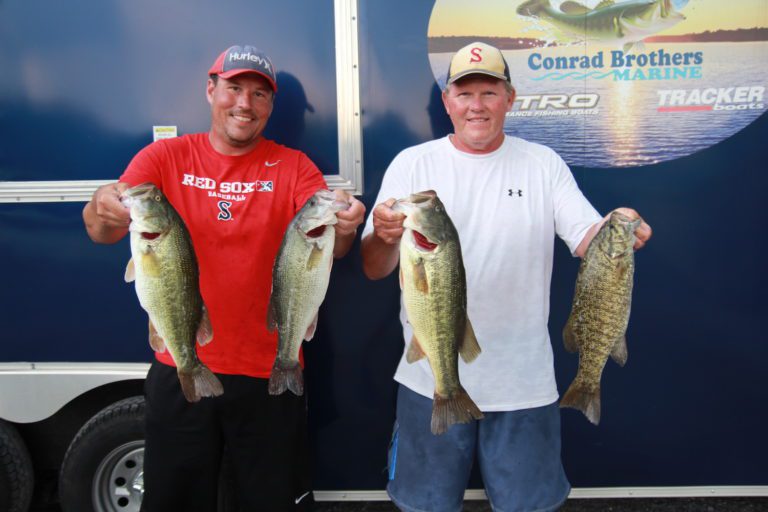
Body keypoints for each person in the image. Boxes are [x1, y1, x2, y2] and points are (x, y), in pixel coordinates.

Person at [360, 41, 652, 512]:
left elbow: (587, 238)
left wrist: (620, 225)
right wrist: (385, 235)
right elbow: (374, 267)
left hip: (524, 381)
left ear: (509, 99)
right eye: (465, 92)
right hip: (428, 377)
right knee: (424, 506)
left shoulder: (542, 164)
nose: (477, 106)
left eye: (490, 92)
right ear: (447, 101)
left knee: (529, 507)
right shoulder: (413, 165)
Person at [83, 44, 365, 511]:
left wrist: (347, 224)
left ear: (270, 106)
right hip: (182, 364)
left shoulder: (294, 167)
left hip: (268, 371)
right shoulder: (164, 158)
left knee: (269, 500)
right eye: (234, 88)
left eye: (259, 94)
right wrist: (101, 202)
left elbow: (331, 245)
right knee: (176, 500)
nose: (244, 104)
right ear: (211, 90)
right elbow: (100, 230)